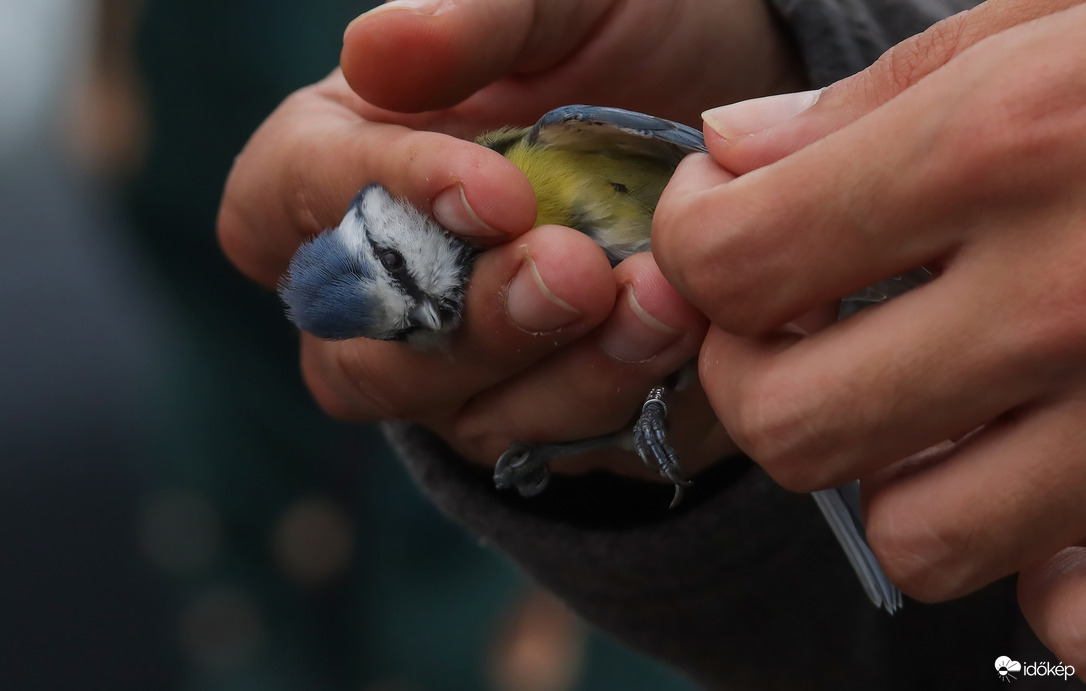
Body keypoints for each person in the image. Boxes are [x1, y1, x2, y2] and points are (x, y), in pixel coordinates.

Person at [218, 0, 1082, 687]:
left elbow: (719, 142)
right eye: (409, 321)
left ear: (394, 217)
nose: (431, 307)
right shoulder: (486, 309)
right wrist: (616, 472)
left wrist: (805, 80)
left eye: (405, 268)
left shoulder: (530, 149)